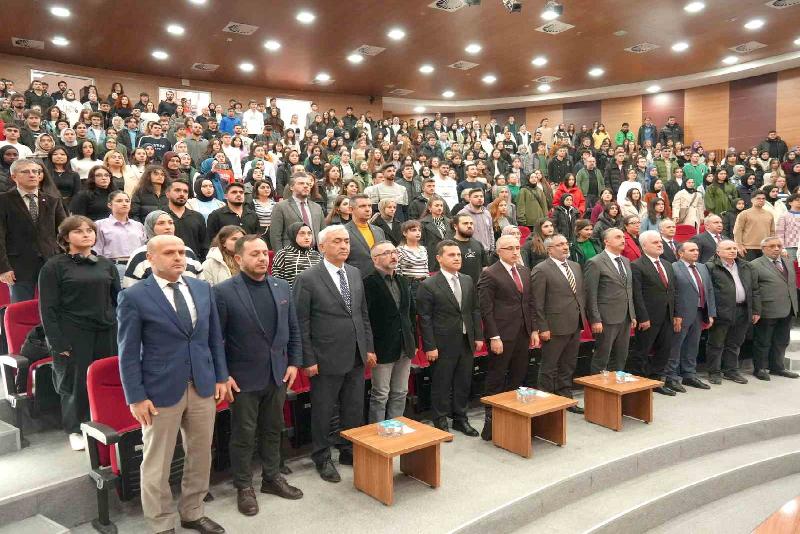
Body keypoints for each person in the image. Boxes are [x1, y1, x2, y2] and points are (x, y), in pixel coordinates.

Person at [118, 235, 228, 534]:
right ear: (150, 258)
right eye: (169, 252)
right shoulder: (134, 296)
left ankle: (193, 512)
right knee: (158, 461)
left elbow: (213, 339)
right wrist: (136, 397)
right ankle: (161, 523)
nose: (178, 257)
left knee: (200, 455)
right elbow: (128, 352)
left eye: (181, 252)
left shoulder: (202, 289)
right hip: (159, 390)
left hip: (202, 384)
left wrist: (220, 376)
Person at [214, 235, 303, 517]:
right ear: (238, 258)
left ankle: (271, 477)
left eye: (265, 253)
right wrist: (223, 374)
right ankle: (244, 486)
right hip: (242, 377)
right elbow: (215, 339)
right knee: (243, 434)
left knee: (273, 428)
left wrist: (294, 362)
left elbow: (293, 328)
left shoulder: (281, 286)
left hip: (277, 373)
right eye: (255, 254)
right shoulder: (223, 291)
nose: (263, 258)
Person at [293, 225, 375, 483]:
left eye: (346, 241)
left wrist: (368, 347)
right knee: (323, 410)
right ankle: (322, 456)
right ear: (321, 247)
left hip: (356, 353)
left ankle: (348, 449)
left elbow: (362, 314)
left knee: (353, 408)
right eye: (337, 241)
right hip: (325, 356)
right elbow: (301, 322)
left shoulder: (354, 272)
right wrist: (308, 359)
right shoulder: (307, 278)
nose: (343, 246)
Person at [38, 215, 119, 450]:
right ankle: (75, 428)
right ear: (65, 237)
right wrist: (57, 342)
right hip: (73, 332)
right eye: (79, 231)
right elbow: (47, 309)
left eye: (90, 230)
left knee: (106, 378)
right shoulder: (54, 266)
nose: (86, 234)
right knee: (75, 382)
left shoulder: (106, 264)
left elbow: (118, 300)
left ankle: (105, 422)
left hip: (106, 330)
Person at [417, 240, 483, 434]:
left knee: (463, 382)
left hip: (465, 340)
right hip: (442, 343)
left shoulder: (467, 280)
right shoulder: (428, 284)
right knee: (441, 383)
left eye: (459, 255)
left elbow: (474, 310)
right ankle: (440, 420)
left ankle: (460, 418)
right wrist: (430, 346)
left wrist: (478, 336)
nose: (457, 258)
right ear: (439, 258)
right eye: (451, 255)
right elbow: (425, 318)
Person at [478, 235, 539, 440]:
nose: (515, 252)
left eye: (517, 248)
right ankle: (491, 423)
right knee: (496, 377)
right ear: (499, 251)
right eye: (510, 248)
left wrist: (534, 330)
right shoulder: (490, 274)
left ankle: (512, 417)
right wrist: (494, 336)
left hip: (522, 332)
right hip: (502, 335)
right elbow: (486, 309)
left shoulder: (524, 271)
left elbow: (530, 302)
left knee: (518, 376)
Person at [363, 241, 416, 423]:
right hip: (382, 348)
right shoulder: (368, 283)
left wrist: (413, 341)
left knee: (401, 392)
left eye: (394, 252)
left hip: (405, 345)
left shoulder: (403, 280)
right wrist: (369, 348)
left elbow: (410, 313)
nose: (393, 256)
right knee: (380, 394)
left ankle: (395, 428)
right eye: (386, 253)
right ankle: (378, 432)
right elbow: (365, 319)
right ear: (375, 259)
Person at [531, 234, 585, 411]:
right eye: (560, 244)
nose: (565, 247)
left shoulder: (575, 266)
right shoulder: (541, 269)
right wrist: (542, 327)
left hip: (574, 323)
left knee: (568, 364)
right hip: (554, 326)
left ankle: (565, 397)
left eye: (565, 243)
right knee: (549, 366)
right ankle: (546, 403)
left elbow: (579, 295)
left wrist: (582, 319)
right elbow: (537, 302)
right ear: (550, 249)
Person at [0, 159, 67, 302]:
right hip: (18, 265)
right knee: (20, 307)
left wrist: (66, 259)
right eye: (25, 171)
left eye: (35, 171)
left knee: (52, 306)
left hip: (51, 262)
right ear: (14, 177)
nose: (32, 175)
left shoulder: (53, 200)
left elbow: (64, 233)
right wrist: (3, 268)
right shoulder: (3, 201)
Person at [628, 230, 676, 395]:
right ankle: (640, 384)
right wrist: (643, 317)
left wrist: (676, 314)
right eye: (655, 242)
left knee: (664, 349)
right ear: (644, 246)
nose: (660, 244)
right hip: (648, 317)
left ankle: (656, 381)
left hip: (667, 315)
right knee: (642, 351)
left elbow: (672, 291)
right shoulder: (637, 265)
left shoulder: (667, 264)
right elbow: (637, 294)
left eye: (660, 242)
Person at [705, 240, 759, 385]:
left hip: (743, 309)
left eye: (734, 248)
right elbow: (708, 292)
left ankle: (731, 370)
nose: (733, 251)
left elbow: (754, 289)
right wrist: (710, 312)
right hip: (721, 310)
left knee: (735, 343)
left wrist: (755, 310)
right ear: (718, 252)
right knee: (716, 343)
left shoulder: (746, 266)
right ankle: (714, 372)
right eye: (728, 248)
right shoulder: (711, 267)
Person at [584, 228, 637, 373]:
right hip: (606, 318)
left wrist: (632, 314)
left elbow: (628, 289)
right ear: (606, 241)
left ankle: (617, 384)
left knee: (621, 356)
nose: (623, 240)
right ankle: (597, 385)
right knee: (602, 357)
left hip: (625, 316)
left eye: (623, 237)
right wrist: (595, 319)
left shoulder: (625, 261)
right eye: (618, 237)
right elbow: (590, 294)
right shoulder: (595, 262)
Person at [668, 241, 716, 392]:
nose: (696, 252)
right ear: (681, 253)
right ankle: (671, 377)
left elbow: (709, 290)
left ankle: (689, 374)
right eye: (691, 250)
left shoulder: (702, 267)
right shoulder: (673, 267)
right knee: (676, 346)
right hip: (681, 314)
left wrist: (711, 313)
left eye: (697, 250)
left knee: (693, 345)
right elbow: (672, 293)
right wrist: (675, 314)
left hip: (699, 312)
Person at [749, 237, 800, 381]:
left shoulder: (788, 262)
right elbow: (753, 290)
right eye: (772, 246)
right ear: (763, 248)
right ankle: (760, 368)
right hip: (767, 309)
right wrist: (756, 310)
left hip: (788, 307)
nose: (776, 248)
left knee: (782, 340)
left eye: (779, 245)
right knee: (763, 341)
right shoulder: (754, 265)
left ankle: (778, 367)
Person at [123, 210, 203, 287]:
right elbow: (131, 289)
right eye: (161, 223)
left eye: (171, 223)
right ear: (150, 227)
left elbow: (201, 284)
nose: (168, 227)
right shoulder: (140, 255)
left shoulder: (187, 251)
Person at [94, 190, 147, 280]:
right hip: (114, 266)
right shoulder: (100, 225)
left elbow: (143, 248)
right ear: (109, 205)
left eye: (127, 201)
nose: (124, 204)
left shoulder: (138, 225)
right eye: (119, 201)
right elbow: (97, 250)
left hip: (138, 267)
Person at [269, 172, 325, 250]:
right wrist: (280, 255)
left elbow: (322, 234)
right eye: (301, 183)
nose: (306, 186)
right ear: (291, 187)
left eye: (308, 184)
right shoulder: (281, 207)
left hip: (315, 253)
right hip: (290, 253)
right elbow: (275, 236)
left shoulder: (317, 207)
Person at [166, 180, 209, 261]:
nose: (182, 194)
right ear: (167, 194)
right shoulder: (160, 215)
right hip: (166, 263)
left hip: (194, 263)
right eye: (177, 190)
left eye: (185, 191)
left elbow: (205, 245)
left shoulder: (197, 217)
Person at [271, 222, 322, 289]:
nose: (307, 237)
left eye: (309, 233)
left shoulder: (317, 255)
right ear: (293, 235)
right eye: (302, 234)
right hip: (291, 294)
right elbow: (276, 280)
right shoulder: (283, 254)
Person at [344, 194, 386, 277]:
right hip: (356, 279)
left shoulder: (379, 231)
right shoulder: (343, 231)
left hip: (380, 279)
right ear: (351, 209)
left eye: (369, 206)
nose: (367, 209)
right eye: (362, 206)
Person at [733, 191, 775, 261]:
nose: (761, 200)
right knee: (750, 267)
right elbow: (737, 230)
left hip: (765, 247)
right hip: (748, 248)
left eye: (763, 198)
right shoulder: (744, 214)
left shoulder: (769, 214)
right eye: (758, 198)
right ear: (752, 200)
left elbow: (772, 231)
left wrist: (772, 245)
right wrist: (739, 245)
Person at [420, 195, 452, 270]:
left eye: (441, 205)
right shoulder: (423, 223)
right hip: (432, 257)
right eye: (436, 205)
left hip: (448, 256)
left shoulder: (450, 222)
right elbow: (421, 241)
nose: (439, 208)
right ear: (429, 208)